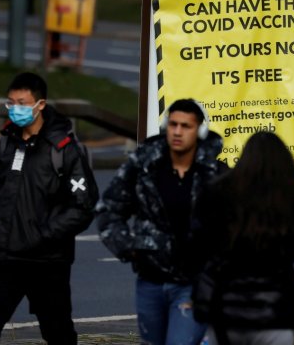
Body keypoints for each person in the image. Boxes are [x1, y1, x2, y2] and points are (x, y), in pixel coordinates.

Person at [0, 72, 99, 345]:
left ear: (40, 104)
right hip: (4, 258)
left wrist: (43, 235)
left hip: (47, 262)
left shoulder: (64, 148)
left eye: (22, 103)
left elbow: (83, 207)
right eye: (10, 102)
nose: (16, 109)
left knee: (58, 332)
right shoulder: (6, 141)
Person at [96, 98, 229, 345]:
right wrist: (130, 248)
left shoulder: (215, 174)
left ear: (200, 130)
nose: (177, 132)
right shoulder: (144, 167)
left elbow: (236, 224)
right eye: (173, 124)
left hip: (194, 283)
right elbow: (109, 209)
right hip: (150, 281)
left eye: (186, 126)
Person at [191, 131, 294, 345]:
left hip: (226, 306)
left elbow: (200, 245)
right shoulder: (293, 197)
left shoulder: (218, 193)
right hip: (274, 308)